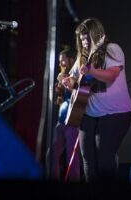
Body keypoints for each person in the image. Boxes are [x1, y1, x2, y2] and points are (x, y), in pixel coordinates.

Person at [61, 18, 131, 182]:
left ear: (95, 34)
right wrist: (68, 82)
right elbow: (74, 81)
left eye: (86, 37)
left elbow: (111, 76)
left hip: (115, 113)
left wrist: (91, 70)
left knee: (105, 160)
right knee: (88, 161)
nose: (83, 42)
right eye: (81, 39)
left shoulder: (112, 49)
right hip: (88, 113)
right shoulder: (82, 57)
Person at [46, 48, 81, 182]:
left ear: (71, 60)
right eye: (60, 60)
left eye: (63, 59)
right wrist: (55, 90)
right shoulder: (64, 75)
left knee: (72, 160)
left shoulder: (76, 74)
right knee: (51, 156)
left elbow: (79, 94)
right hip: (61, 122)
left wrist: (65, 82)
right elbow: (57, 100)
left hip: (73, 123)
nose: (60, 62)